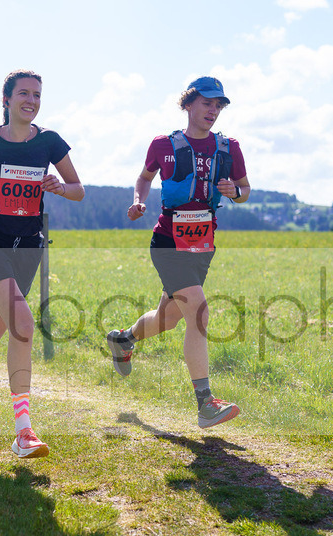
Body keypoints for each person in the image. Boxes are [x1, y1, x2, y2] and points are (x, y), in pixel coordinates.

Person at [0, 70, 84, 458]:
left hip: (28, 248)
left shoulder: (51, 142)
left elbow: (79, 190)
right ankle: (24, 430)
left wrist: (59, 186)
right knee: (23, 323)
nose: (32, 100)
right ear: (6, 99)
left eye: (37, 94)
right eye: (24, 93)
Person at [106, 76, 250, 429]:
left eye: (219, 105)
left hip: (203, 244)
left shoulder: (229, 148)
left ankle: (123, 339)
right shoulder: (163, 144)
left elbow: (246, 191)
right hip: (168, 241)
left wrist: (234, 191)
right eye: (206, 103)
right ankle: (205, 403)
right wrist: (139, 200)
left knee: (169, 318)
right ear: (188, 104)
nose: (213, 111)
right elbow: (144, 178)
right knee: (198, 311)